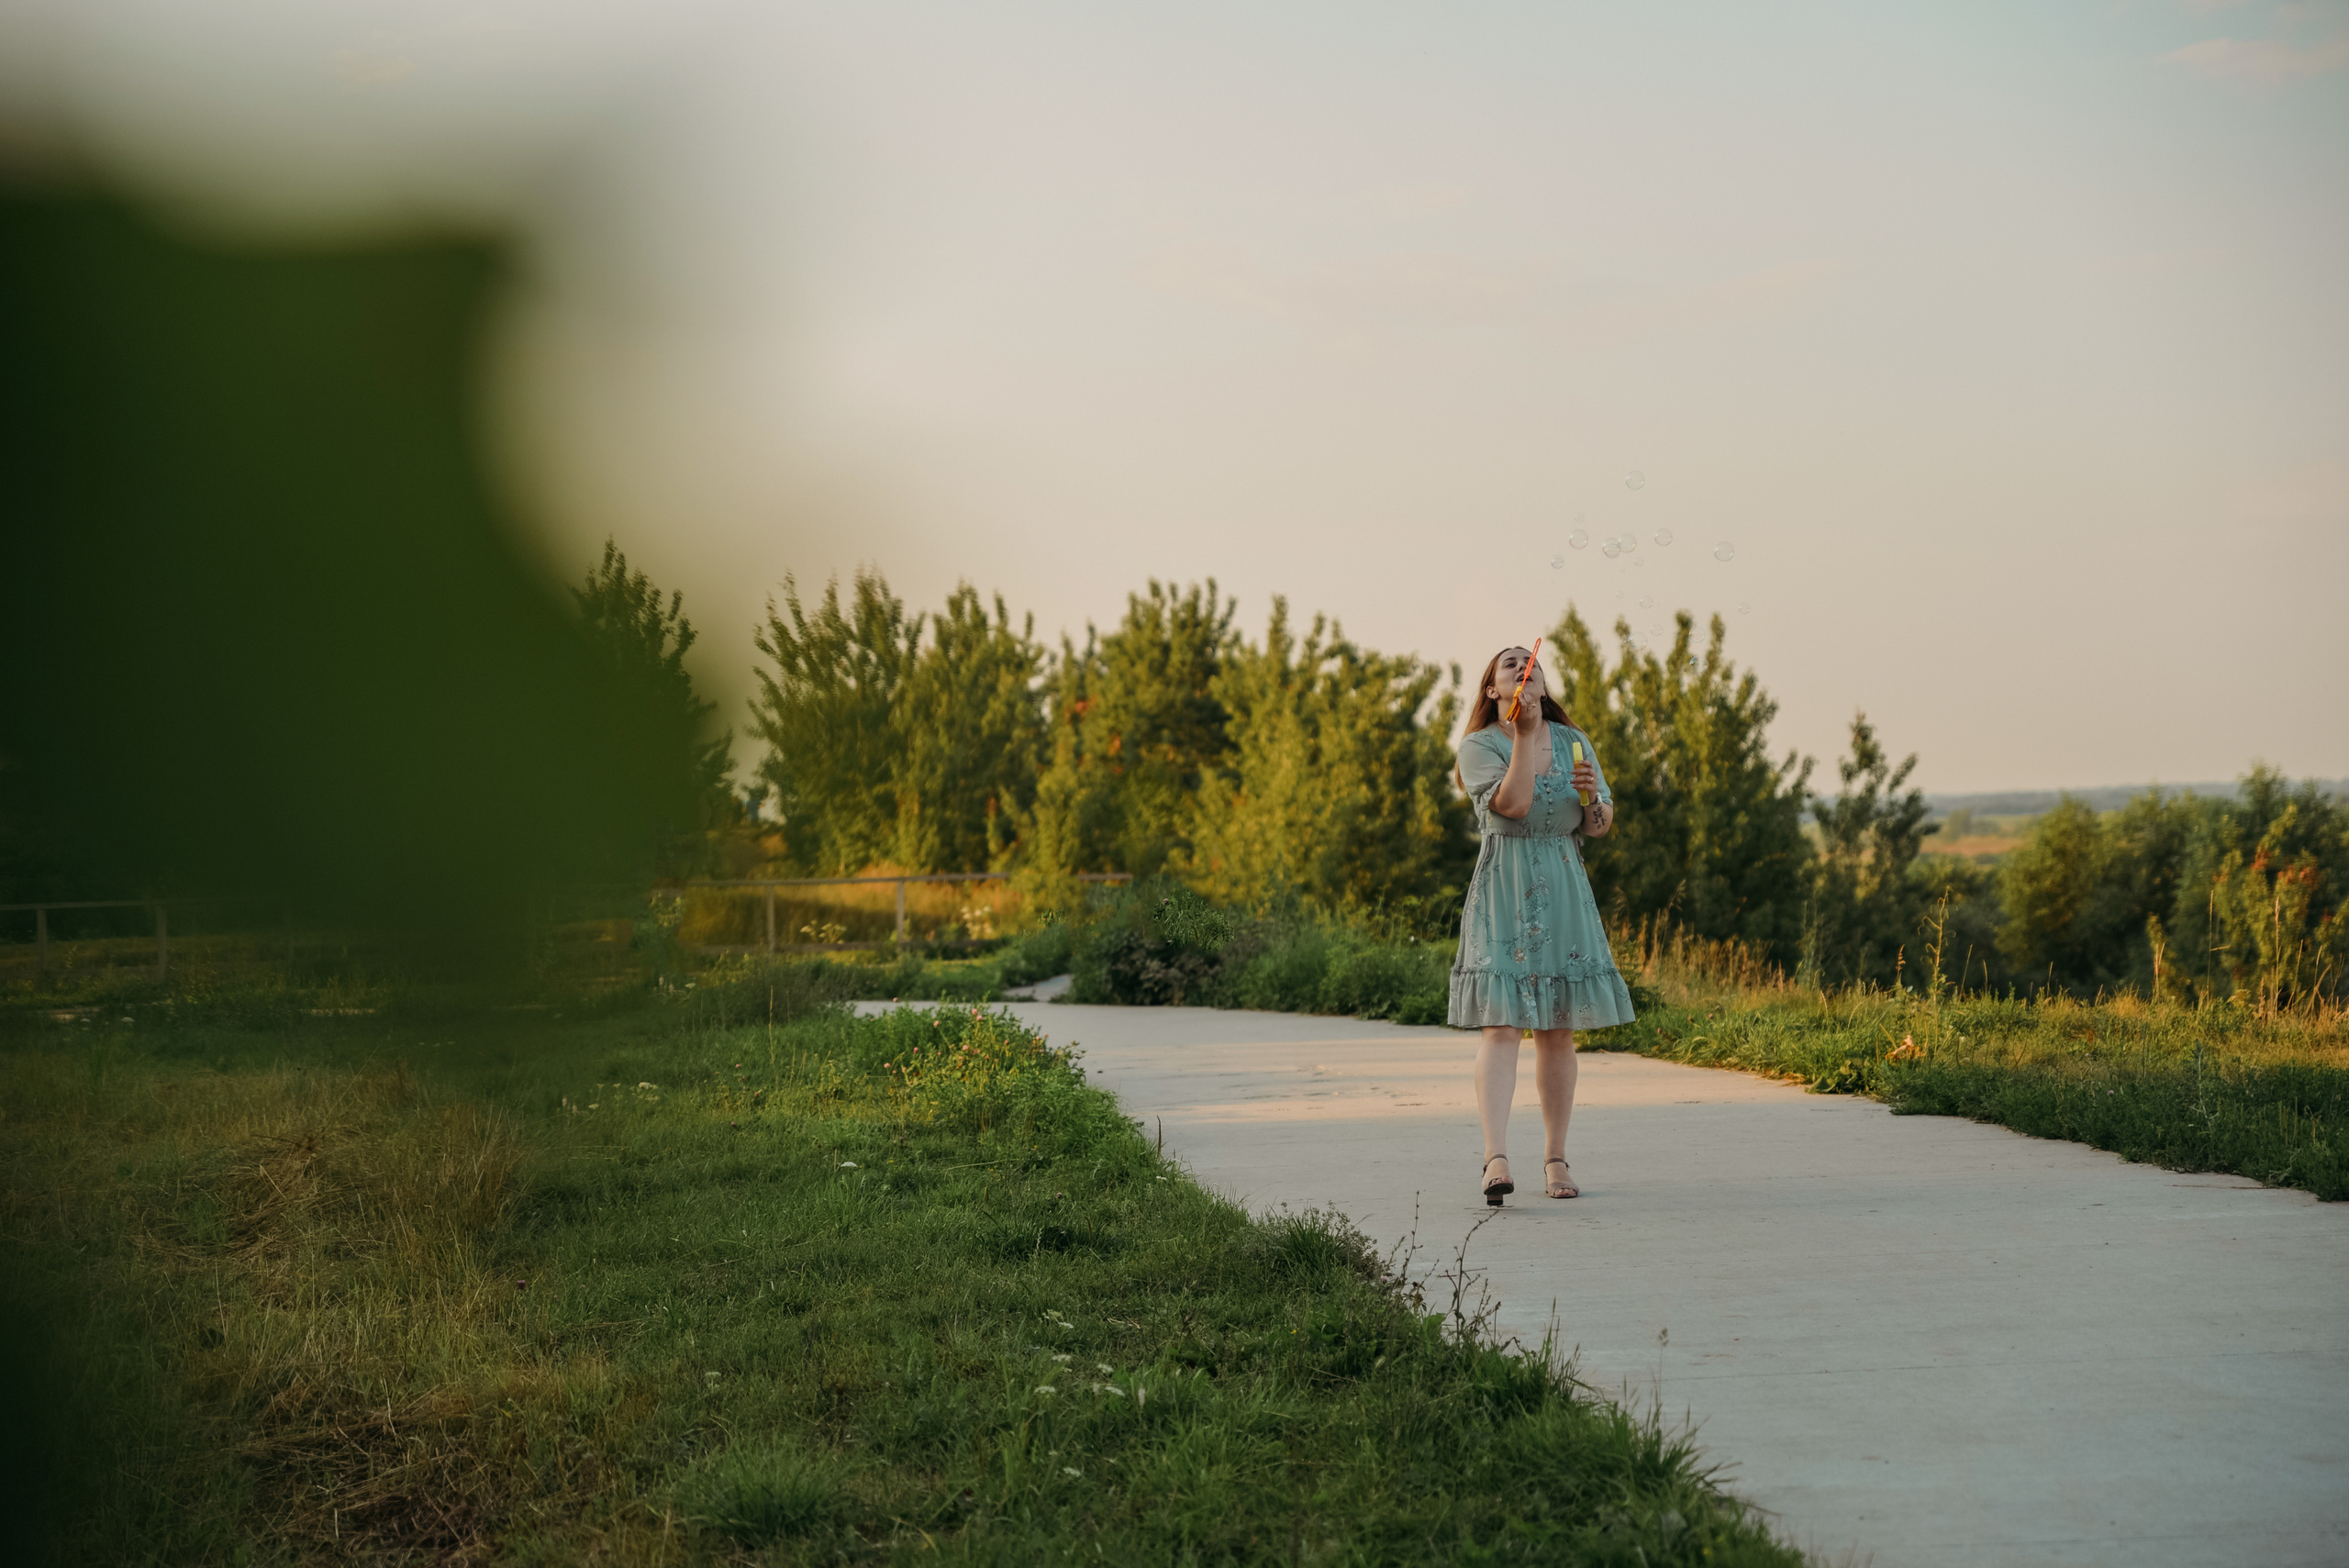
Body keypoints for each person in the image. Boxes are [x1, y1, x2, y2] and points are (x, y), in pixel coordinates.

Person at [1449, 645, 1636, 1204]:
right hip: (1504, 889)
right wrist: (1525, 737)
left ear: (1543, 684)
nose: (1521, 667)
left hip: (1563, 886)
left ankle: (1556, 1159)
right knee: (1502, 1025)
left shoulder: (1575, 741)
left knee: (1558, 1028)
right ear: (1493, 690)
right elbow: (1513, 806)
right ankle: (1496, 1158)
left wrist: (1592, 798)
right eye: (1508, 664)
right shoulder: (1478, 746)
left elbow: (1598, 824)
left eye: (1527, 663)